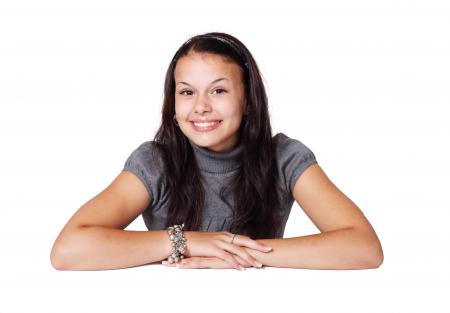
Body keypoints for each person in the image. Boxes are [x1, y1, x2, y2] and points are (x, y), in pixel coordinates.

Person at [50, 32, 383, 271]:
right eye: (187, 92)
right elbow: (69, 250)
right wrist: (188, 242)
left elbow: (363, 247)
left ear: (249, 100)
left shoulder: (284, 157)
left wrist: (238, 252)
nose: (201, 107)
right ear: (173, 103)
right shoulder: (156, 162)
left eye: (219, 90)